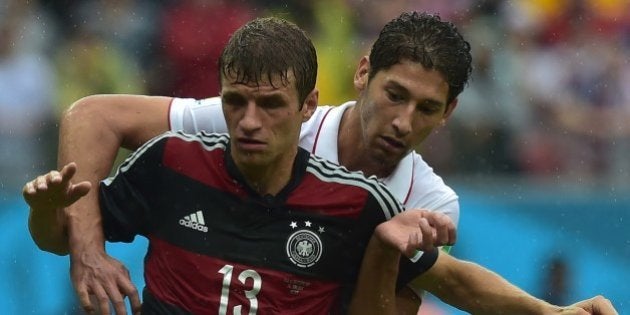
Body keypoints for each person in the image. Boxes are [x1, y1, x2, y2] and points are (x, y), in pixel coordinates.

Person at [27, 11, 618, 315]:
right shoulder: (263, 115)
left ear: (449, 113)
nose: (403, 122)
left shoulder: (422, 203)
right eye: (394, 95)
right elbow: (93, 115)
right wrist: (88, 251)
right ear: (362, 74)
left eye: (426, 108)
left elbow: (449, 280)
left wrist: (550, 313)